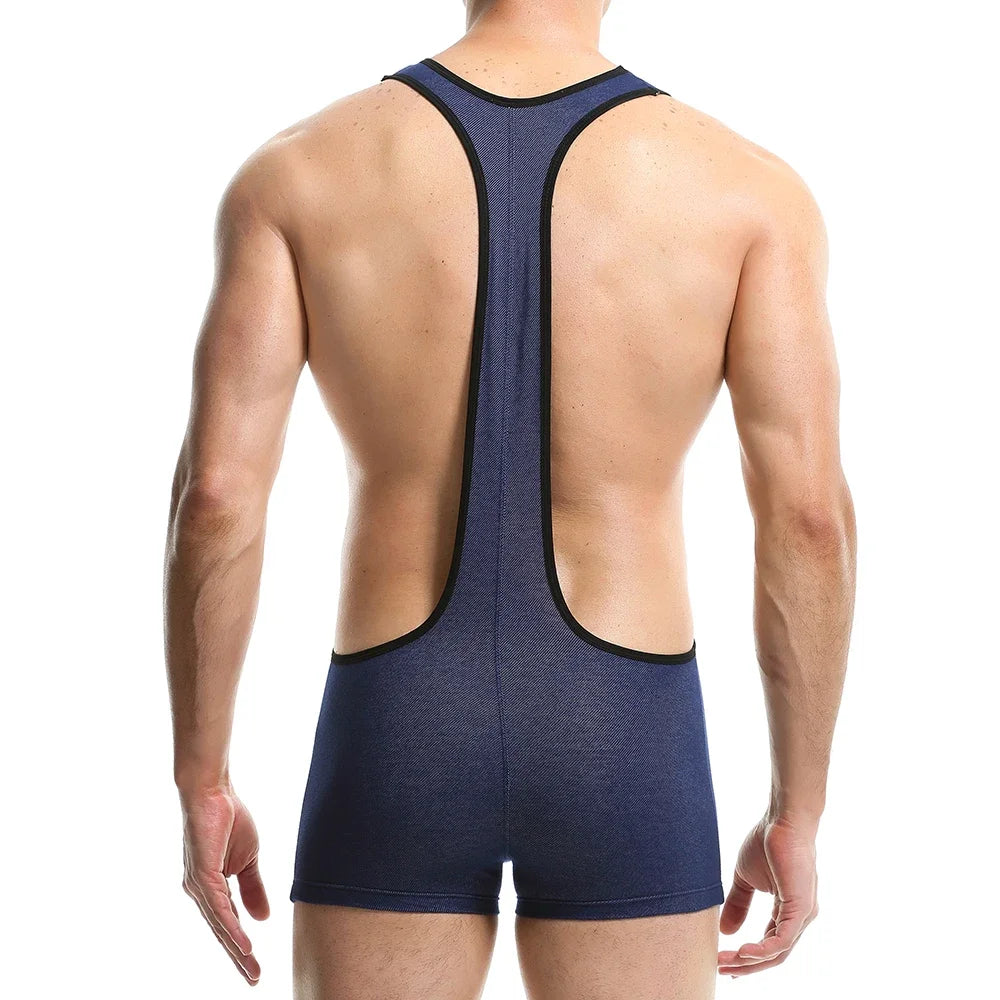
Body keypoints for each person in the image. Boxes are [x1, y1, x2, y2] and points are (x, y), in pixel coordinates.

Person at [163, 0, 856, 996]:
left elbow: (217, 497)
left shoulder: (297, 172)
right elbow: (808, 519)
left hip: (398, 722)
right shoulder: (748, 192)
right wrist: (798, 809)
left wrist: (203, 778)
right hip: (625, 730)